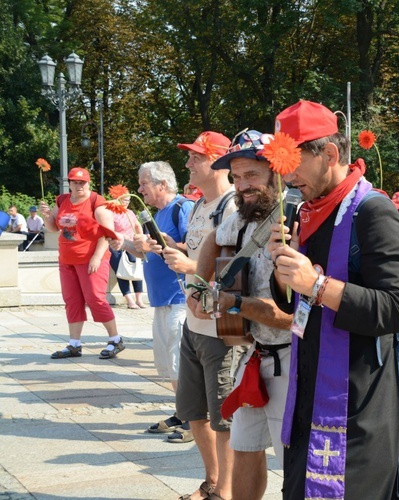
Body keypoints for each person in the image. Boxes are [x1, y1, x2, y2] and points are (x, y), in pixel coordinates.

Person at [268, 100, 399, 499]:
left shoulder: (374, 212)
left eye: (294, 161)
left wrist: (316, 285)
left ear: (330, 154)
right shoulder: (307, 210)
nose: (288, 175)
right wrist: (281, 269)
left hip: (357, 402)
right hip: (308, 393)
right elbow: (292, 304)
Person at [190, 129, 294, 499]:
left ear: (275, 171)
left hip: (292, 359)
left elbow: (295, 317)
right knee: (245, 446)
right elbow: (215, 236)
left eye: (251, 175)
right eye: (235, 177)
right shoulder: (242, 216)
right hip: (254, 355)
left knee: (292, 459)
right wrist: (199, 288)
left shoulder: (294, 217)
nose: (242, 185)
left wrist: (234, 305)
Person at [162, 131, 236, 500]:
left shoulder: (233, 206)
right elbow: (194, 252)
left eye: (196, 157)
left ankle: (224, 490)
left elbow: (239, 269)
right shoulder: (197, 205)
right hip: (195, 322)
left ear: (218, 162)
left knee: (224, 418)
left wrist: (190, 264)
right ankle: (211, 482)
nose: (188, 163)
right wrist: (165, 247)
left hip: (221, 327)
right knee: (193, 411)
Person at [115, 162, 195, 442]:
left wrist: (167, 243)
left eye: (143, 183)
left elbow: (192, 247)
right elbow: (149, 254)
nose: (139, 189)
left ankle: (193, 420)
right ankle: (183, 412)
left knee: (179, 362)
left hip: (179, 297)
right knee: (168, 362)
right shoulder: (157, 214)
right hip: (162, 299)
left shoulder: (181, 208)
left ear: (162, 184)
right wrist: (125, 244)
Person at [38, 167, 125, 360]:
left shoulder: (97, 202)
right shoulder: (62, 200)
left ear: (88, 183)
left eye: (82, 182)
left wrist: (96, 257)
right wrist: (46, 217)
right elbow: (53, 228)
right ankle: (74, 344)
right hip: (67, 259)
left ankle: (115, 339)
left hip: (92, 258)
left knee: (95, 298)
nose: (78, 185)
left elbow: (107, 232)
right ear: (69, 183)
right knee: (72, 301)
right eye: (75, 182)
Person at [108, 195, 145, 310]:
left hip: (131, 244)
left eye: (128, 201)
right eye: (124, 200)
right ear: (117, 200)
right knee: (121, 272)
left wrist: (141, 239)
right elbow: (106, 228)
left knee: (136, 270)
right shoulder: (110, 212)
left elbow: (137, 226)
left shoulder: (130, 213)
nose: (126, 203)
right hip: (116, 246)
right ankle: (129, 300)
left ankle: (139, 299)